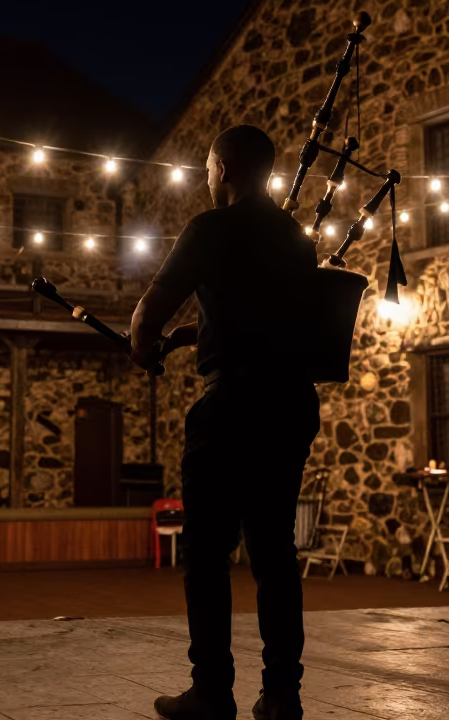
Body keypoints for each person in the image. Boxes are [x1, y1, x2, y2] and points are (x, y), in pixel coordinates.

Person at [129, 125, 321, 720]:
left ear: (227, 168)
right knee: (273, 552)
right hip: (289, 405)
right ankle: (282, 696)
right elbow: (264, 318)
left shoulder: (209, 229)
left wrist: (146, 344)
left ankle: (212, 692)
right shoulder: (294, 236)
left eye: (209, 167)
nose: (207, 178)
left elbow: (147, 315)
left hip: (232, 408)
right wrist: (196, 334)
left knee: (208, 553)